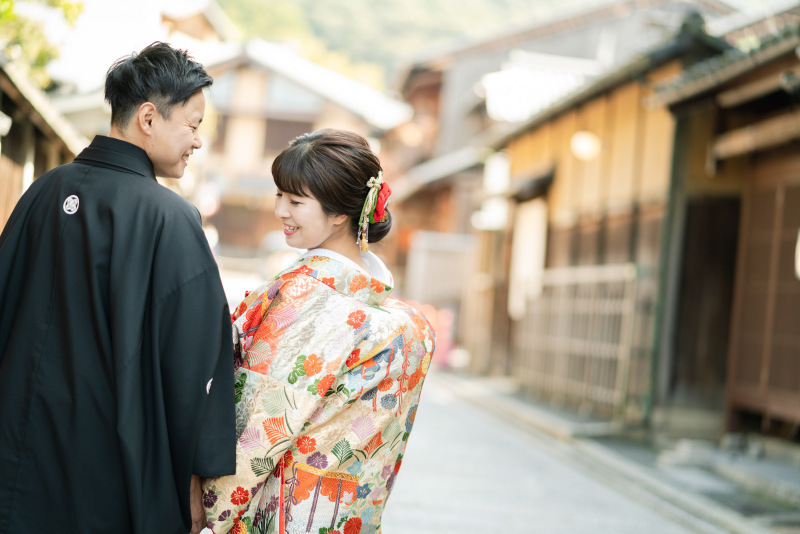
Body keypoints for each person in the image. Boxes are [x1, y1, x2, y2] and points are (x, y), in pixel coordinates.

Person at [0, 42, 236, 534]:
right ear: (148, 118)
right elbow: (194, 360)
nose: (197, 142)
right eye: (192, 126)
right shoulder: (170, 218)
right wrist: (198, 472)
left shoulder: (44, 189)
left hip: (16, 447)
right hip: (108, 464)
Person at [202, 129, 436, 534]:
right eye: (279, 195)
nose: (280, 210)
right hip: (347, 516)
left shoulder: (306, 301)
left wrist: (208, 506)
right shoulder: (409, 324)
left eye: (296, 200)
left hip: (280, 513)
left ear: (340, 213)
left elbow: (262, 425)